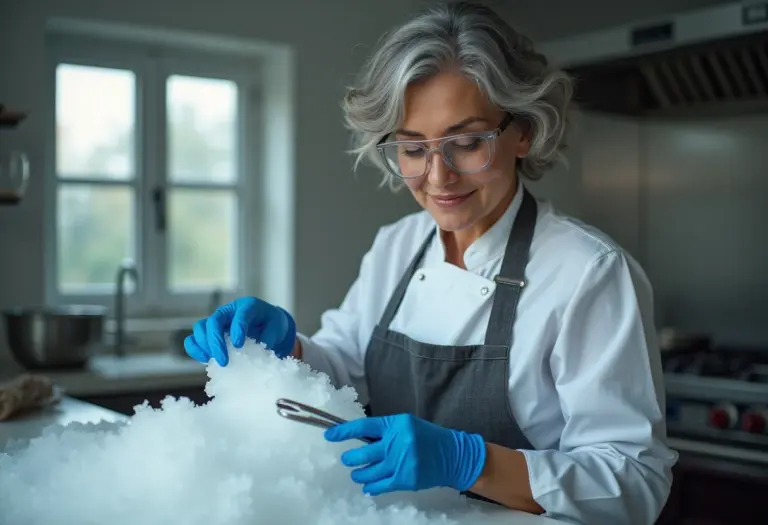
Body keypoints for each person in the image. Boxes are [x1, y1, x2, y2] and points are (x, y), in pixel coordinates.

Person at [184, 2, 678, 523]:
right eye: (413, 149)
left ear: (524, 131)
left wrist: (472, 462)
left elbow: (634, 482)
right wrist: (288, 349)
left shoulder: (587, 273)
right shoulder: (398, 245)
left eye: (466, 143)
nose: (438, 177)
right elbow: (347, 372)